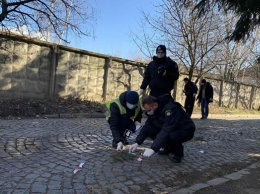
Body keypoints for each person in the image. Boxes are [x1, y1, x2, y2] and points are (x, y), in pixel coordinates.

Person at [129, 94, 195, 163]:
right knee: (151, 129)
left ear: (155, 105)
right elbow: (147, 126)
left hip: (185, 129)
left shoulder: (170, 109)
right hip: (172, 128)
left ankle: (178, 153)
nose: (148, 112)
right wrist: (137, 142)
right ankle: (168, 148)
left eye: (149, 110)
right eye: (147, 111)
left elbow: (166, 130)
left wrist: (153, 148)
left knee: (172, 136)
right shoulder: (154, 111)